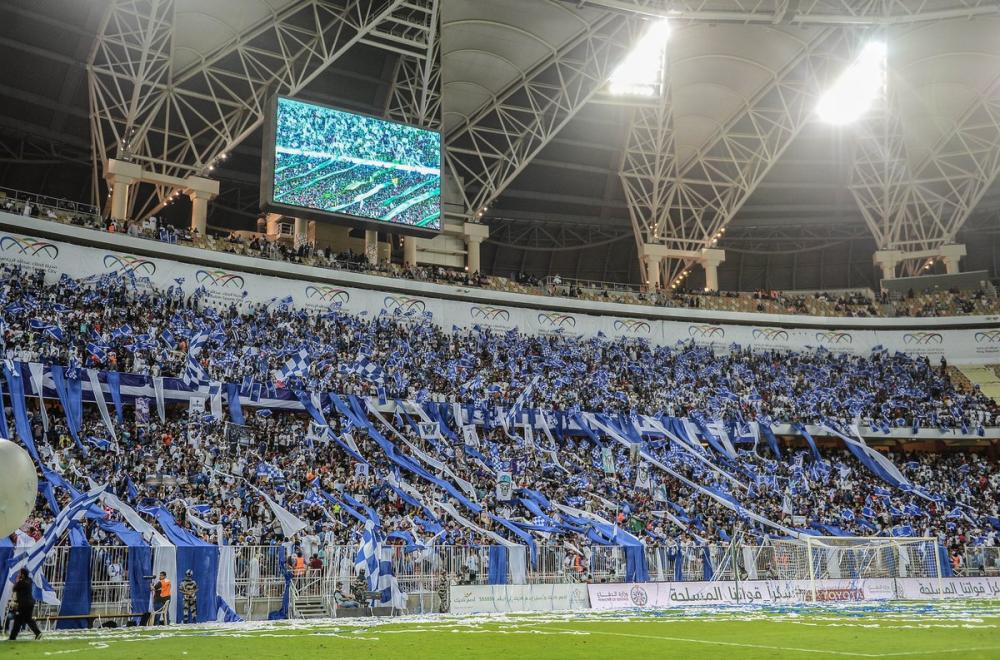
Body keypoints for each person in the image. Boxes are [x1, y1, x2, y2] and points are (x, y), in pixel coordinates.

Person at [7, 569, 41, 641]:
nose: (18, 574)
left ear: (22, 574)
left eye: (19, 573)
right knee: (28, 619)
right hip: (30, 603)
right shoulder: (29, 580)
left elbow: (14, 588)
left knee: (18, 620)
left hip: (23, 604)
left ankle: (12, 637)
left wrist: (17, 580)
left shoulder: (21, 583)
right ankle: (38, 633)